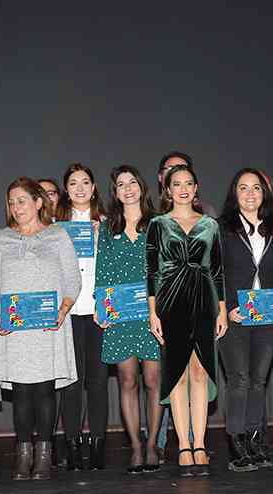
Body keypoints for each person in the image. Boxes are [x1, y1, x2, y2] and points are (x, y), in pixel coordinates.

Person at [0, 177, 80, 480]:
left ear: (38, 202)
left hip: (48, 327)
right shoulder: (1, 238)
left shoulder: (58, 235)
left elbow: (72, 280)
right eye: (12, 202)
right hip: (15, 329)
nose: (16, 207)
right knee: (22, 392)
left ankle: (44, 454)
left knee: (45, 390)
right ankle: (23, 454)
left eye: (22, 200)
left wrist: (62, 311)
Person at [147, 164, 227, 476]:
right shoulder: (158, 224)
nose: (183, 189)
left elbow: (217, 270)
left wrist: (222, 309)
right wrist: (153, 311)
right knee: (178, 373)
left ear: (196, 188)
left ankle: (200, 445)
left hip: (204, 300)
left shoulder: (210, 225)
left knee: (199, 372)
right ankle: (183, 445)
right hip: (170, 301)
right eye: (176, 184)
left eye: (188, 183)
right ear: (167, 190)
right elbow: (152, 271)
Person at [218, 168, 273, 472]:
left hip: (268, 315)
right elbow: (216, 272)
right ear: (234, 193)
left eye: (256, 188)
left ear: (265, 193)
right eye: (243, 188)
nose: (250, 193)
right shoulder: (222, 228)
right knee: (239, 379)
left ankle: (254, 439)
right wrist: (227, 308)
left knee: (259, 380)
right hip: (236, 316)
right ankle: (236, 441)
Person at [95, 166, 162, 473]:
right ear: (115, 192)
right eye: (121, 184)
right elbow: (103, 271)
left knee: (153, 381)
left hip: (154, 313)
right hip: (121, 317)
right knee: (127, 380)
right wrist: (102, 306)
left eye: (132, 182)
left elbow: (165, 268)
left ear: (141, 187)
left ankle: (153, 445)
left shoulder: (158, 224)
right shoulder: (108, 228)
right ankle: (135, 446)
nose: (128, 188)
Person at [53, 163, 108, 470]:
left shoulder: (108, 222)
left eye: (85, 182)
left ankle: (98, 444)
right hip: (68, 312)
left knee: (98, 381)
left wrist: (102, 239)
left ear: (94, 187)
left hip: (99, 312)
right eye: (73, 183)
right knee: (71, 382)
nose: (80, 188)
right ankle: (72, 445)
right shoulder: (55, 225)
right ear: (66, 189)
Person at [157, 151, 217, 217]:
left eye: (183, 168)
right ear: (160, 176)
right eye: (171, 168)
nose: (177, 173)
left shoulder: (206, 211)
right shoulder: (151, 210)